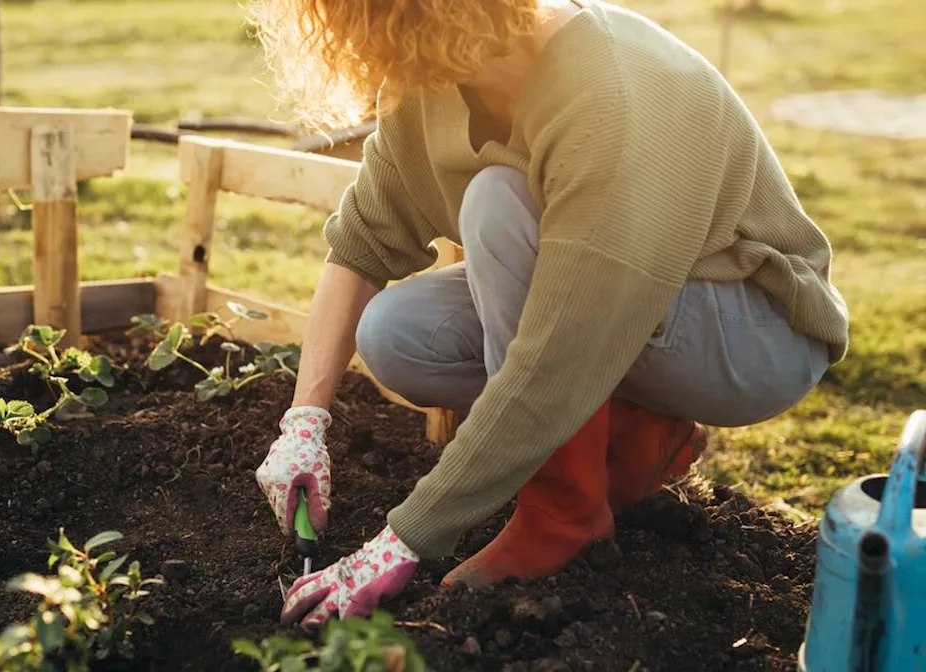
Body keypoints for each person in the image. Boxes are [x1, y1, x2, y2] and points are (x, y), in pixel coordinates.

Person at [248, 0, 849, 627]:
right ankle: (635, 434)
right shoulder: (432, 86)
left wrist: (400, 543)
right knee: (397, 333)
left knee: (495, 204)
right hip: (622, 312)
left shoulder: (608, 92)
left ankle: (565, 514)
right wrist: (304, 422)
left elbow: (556, 355)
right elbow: (360, 245)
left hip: (752, 333)